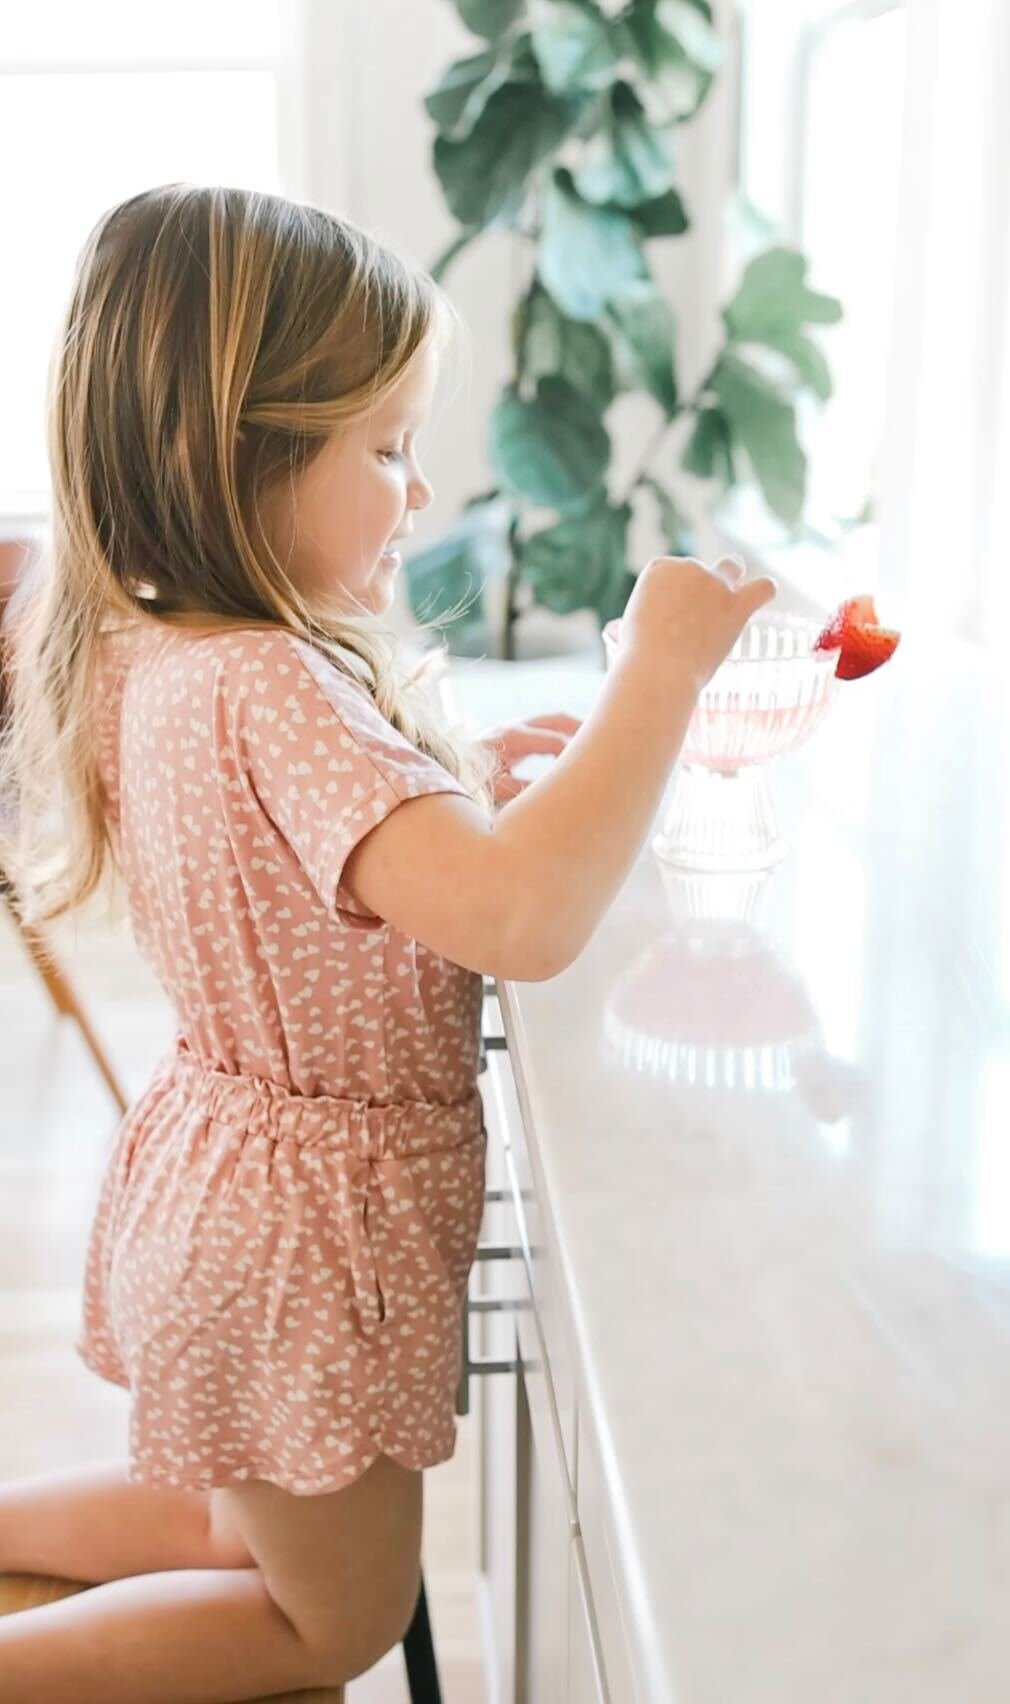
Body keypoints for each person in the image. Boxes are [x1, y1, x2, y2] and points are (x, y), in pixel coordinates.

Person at [0, 184, 776, 1704]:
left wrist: (475, 793)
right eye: (385, 447)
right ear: (224, 458)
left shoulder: (168, 650)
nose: (417, 493)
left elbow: (329, 876)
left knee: (238, 1531)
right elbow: (518, 918)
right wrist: (660, 677)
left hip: (228, 1195)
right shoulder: (273, 682)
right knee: (327, 1621)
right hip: (298, 1240)